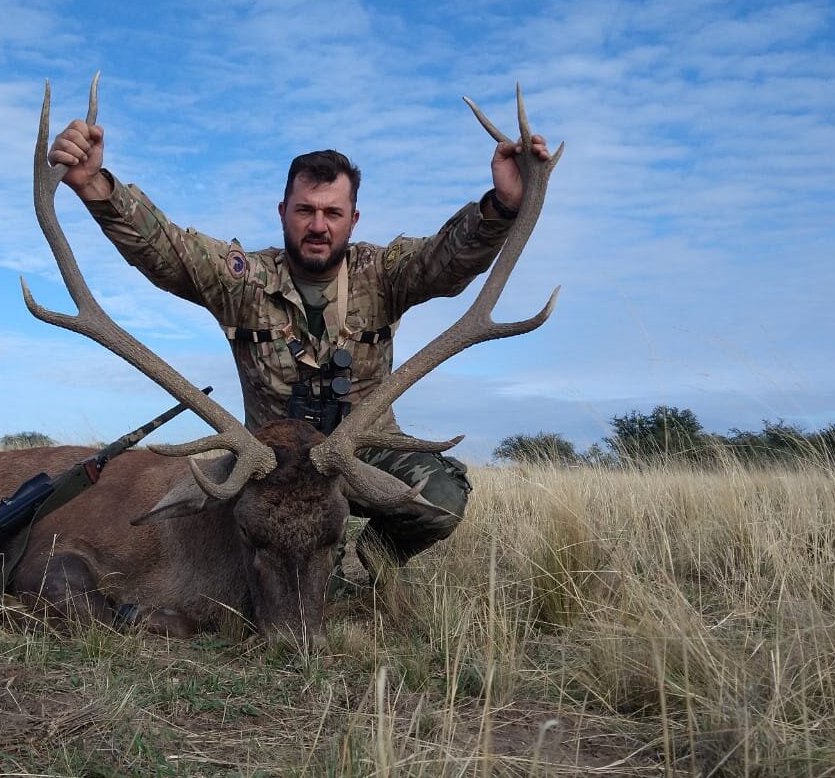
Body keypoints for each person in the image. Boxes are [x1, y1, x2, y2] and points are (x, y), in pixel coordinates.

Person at [47, 107, 549, 580]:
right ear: (283, 211)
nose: (317, 225)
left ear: (353, 219)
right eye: (305, 210)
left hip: (360, 457)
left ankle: (364, 566)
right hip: (269, 466)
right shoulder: (243, 279)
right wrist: (95, 184)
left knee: (439, 497)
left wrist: (502, 204)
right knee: (211, 522)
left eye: (332, 212)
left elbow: (447, 259)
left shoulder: (385, 273)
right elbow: (168, 250)